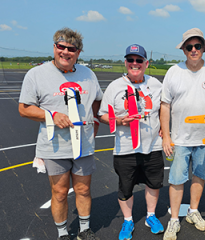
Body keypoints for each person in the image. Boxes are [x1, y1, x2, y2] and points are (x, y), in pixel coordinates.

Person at [18, 27, 103, 240]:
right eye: (61, 47)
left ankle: (84, 229)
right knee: (60, 192)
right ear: (54, 47)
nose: (65, 52)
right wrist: (52, 115)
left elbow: (97, 103)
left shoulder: (88, 74)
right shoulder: (36, 74)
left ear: (78, 52)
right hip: (54, 147)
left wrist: (94, 129)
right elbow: (24, 108)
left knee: (83, 190)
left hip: (83, 145)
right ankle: (63, 232)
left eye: (71, 49)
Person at [98, 44, 164, 240]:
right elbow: (102, 115)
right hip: (125, 148)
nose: (135, 64)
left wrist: (164, 126)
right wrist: (119, 121)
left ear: (146, 63)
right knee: (125, 187)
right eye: (131, 60)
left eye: (139, 60)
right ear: (125, 63)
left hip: (153, 145)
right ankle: (127, 220)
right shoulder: (115, 87)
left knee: (153, 183)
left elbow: (165, 109)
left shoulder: (156, 84)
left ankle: (150, 216)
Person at [160, 28, 205, 240]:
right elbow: (165, 105)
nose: (194, 50)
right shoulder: (174, 72)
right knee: (177, 179)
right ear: (183, 50)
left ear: (204, 48)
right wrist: (167, 136)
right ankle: (174, 219)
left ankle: (193, 211)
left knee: (200, 175)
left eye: (198, 46)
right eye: (189, 47)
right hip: (180, 138)